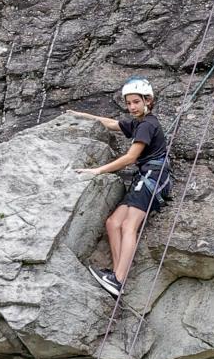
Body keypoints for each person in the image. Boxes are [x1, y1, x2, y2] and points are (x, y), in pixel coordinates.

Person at [66, 77, 172, 297]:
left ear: (148, 101)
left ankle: (118, 279)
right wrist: (82, 116)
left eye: (136, 102)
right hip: (144, 178)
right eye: (129, 103)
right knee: (113, 223)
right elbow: (113, 124)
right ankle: (115, 276)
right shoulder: (137, 123)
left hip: (152, 178)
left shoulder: (147, 125)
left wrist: (98, 170)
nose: (132, 107)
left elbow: (131, 157)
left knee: (128, 226)